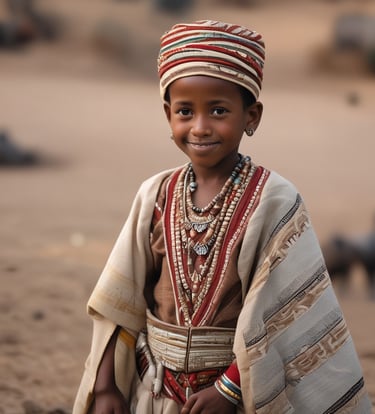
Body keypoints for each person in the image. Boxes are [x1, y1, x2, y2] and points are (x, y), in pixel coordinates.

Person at [73, 20, 372, 414]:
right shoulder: (154, 195)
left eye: (218, 110)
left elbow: (285, 315)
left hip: (235, 398)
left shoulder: (275, 199)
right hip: (155, 394)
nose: (199, 127)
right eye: (185, 111)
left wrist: (229, 389)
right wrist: (107, 384)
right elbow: (120, 301)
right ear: (168, 116)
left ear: (252, 117)